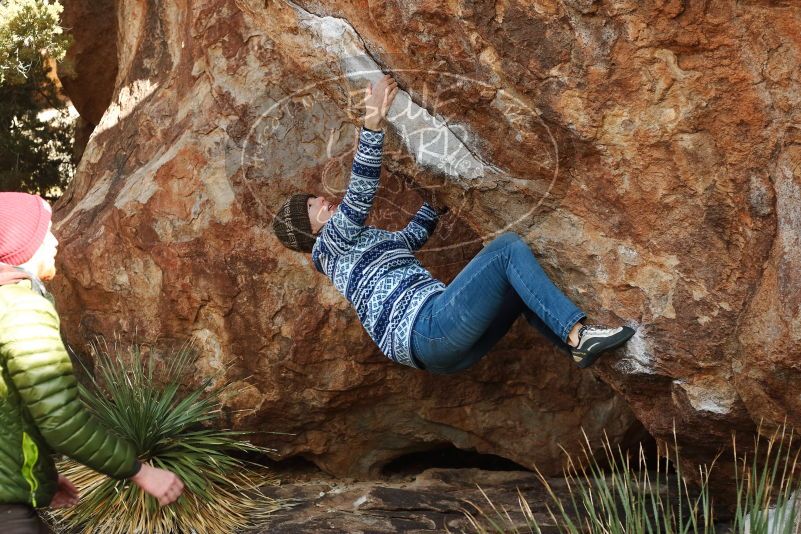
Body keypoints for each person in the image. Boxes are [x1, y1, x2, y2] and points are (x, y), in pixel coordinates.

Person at [273, 74, 635, 374]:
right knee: (507, 250)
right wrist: (372, 123)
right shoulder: (329, 247)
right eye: (310, 205)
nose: (321, 199)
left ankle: (577, 346)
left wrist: (435, 201)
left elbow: (409, 239)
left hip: (440, 351)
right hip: (427, 328)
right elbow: (359, 197)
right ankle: (577, 334)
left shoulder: (353, 247)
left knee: (518, 287)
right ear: (310, 231)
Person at [0, 192, 184, 534]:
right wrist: (141, 472)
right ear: (20, 247)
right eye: (45, 233)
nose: (55, 241)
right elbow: (62, 420)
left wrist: (41, 476)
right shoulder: (19, 309)